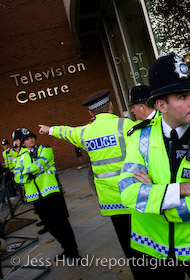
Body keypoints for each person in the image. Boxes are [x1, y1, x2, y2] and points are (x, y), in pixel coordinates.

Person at [118, 54, 190, 279]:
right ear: (161, 105)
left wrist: (154, 199)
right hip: (155, 251)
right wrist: (181, 189)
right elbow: (128, 193)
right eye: (182, 96)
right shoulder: (140, 138)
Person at [38, 90, 142, 278]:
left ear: (91, 113)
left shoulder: (86, 132)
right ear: (111, 106)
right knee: (148, 242)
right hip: (134, 195)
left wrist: (49, 129)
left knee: (128, 247)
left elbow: (68, 132)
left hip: (111, 202)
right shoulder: (124, 124)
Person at [13, 128, 79, 261]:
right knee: (49, 225)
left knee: (62, 223)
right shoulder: (20, 158)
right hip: (36, 198)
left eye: (32, 137)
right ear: (22, 143)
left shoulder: (45, 149)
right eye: (26, 139)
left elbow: (43, 162)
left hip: (51, 192)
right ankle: (66, 248)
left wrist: (27, 172)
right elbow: (17, 177)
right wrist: (30, 173)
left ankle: (74, 252)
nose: (31, 140)